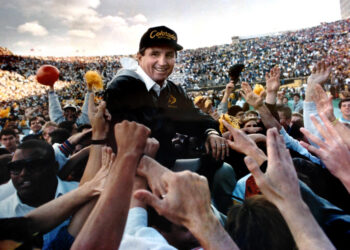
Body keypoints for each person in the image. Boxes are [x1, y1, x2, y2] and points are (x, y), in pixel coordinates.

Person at [105, 26, 228, 167]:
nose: (162, 62)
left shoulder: (172, 90)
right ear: (140, 57)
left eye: (169, 55)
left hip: (166, 165)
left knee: (224, 170)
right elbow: (121, 142)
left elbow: (196, 117)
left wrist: (210, 132)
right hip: (130, 171)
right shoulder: (123, 87)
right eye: (155, 54)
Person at [0, 139, 78, 218]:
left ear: (55, 167)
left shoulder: (82, 193)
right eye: (16, 167)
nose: (23, 173)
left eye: (33, 166)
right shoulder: (2, 212)